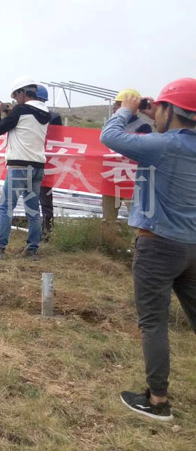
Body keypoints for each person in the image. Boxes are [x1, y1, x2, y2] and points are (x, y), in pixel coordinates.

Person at [100, 79, 196, 422]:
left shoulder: (163, 145)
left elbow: (110, 136)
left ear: (170, 110)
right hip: (192, 248)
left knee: (154, 324)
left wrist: (126, 109)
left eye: (160, 109)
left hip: (157, 246)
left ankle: (157, 401)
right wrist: (151, 111)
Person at [0, 76, 50, 258]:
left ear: (23, 92)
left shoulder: (20, 110)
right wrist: (12, 112)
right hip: (37, 167)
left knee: (6, 207)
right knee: (33, 210)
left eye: (16, 95)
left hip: (19, 167)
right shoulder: (45, 112)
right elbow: (24, 122)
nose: (15, 99)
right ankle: (32, 249)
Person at [102, 89, 153, 223]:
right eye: (116, 104)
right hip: (111, 176)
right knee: (108, 218)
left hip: (132, 179)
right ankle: (107, 237)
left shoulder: (143, 126)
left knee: (136, 217)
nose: (115, 107)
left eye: (120, 104)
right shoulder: (111, 125)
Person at [36, 85, 63, 237]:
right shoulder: (53, 116)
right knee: (44, 196)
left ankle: (46, 227)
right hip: (44, 160)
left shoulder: (52, 117)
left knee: (43, 196)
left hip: (44, 160)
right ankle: (45, 227)